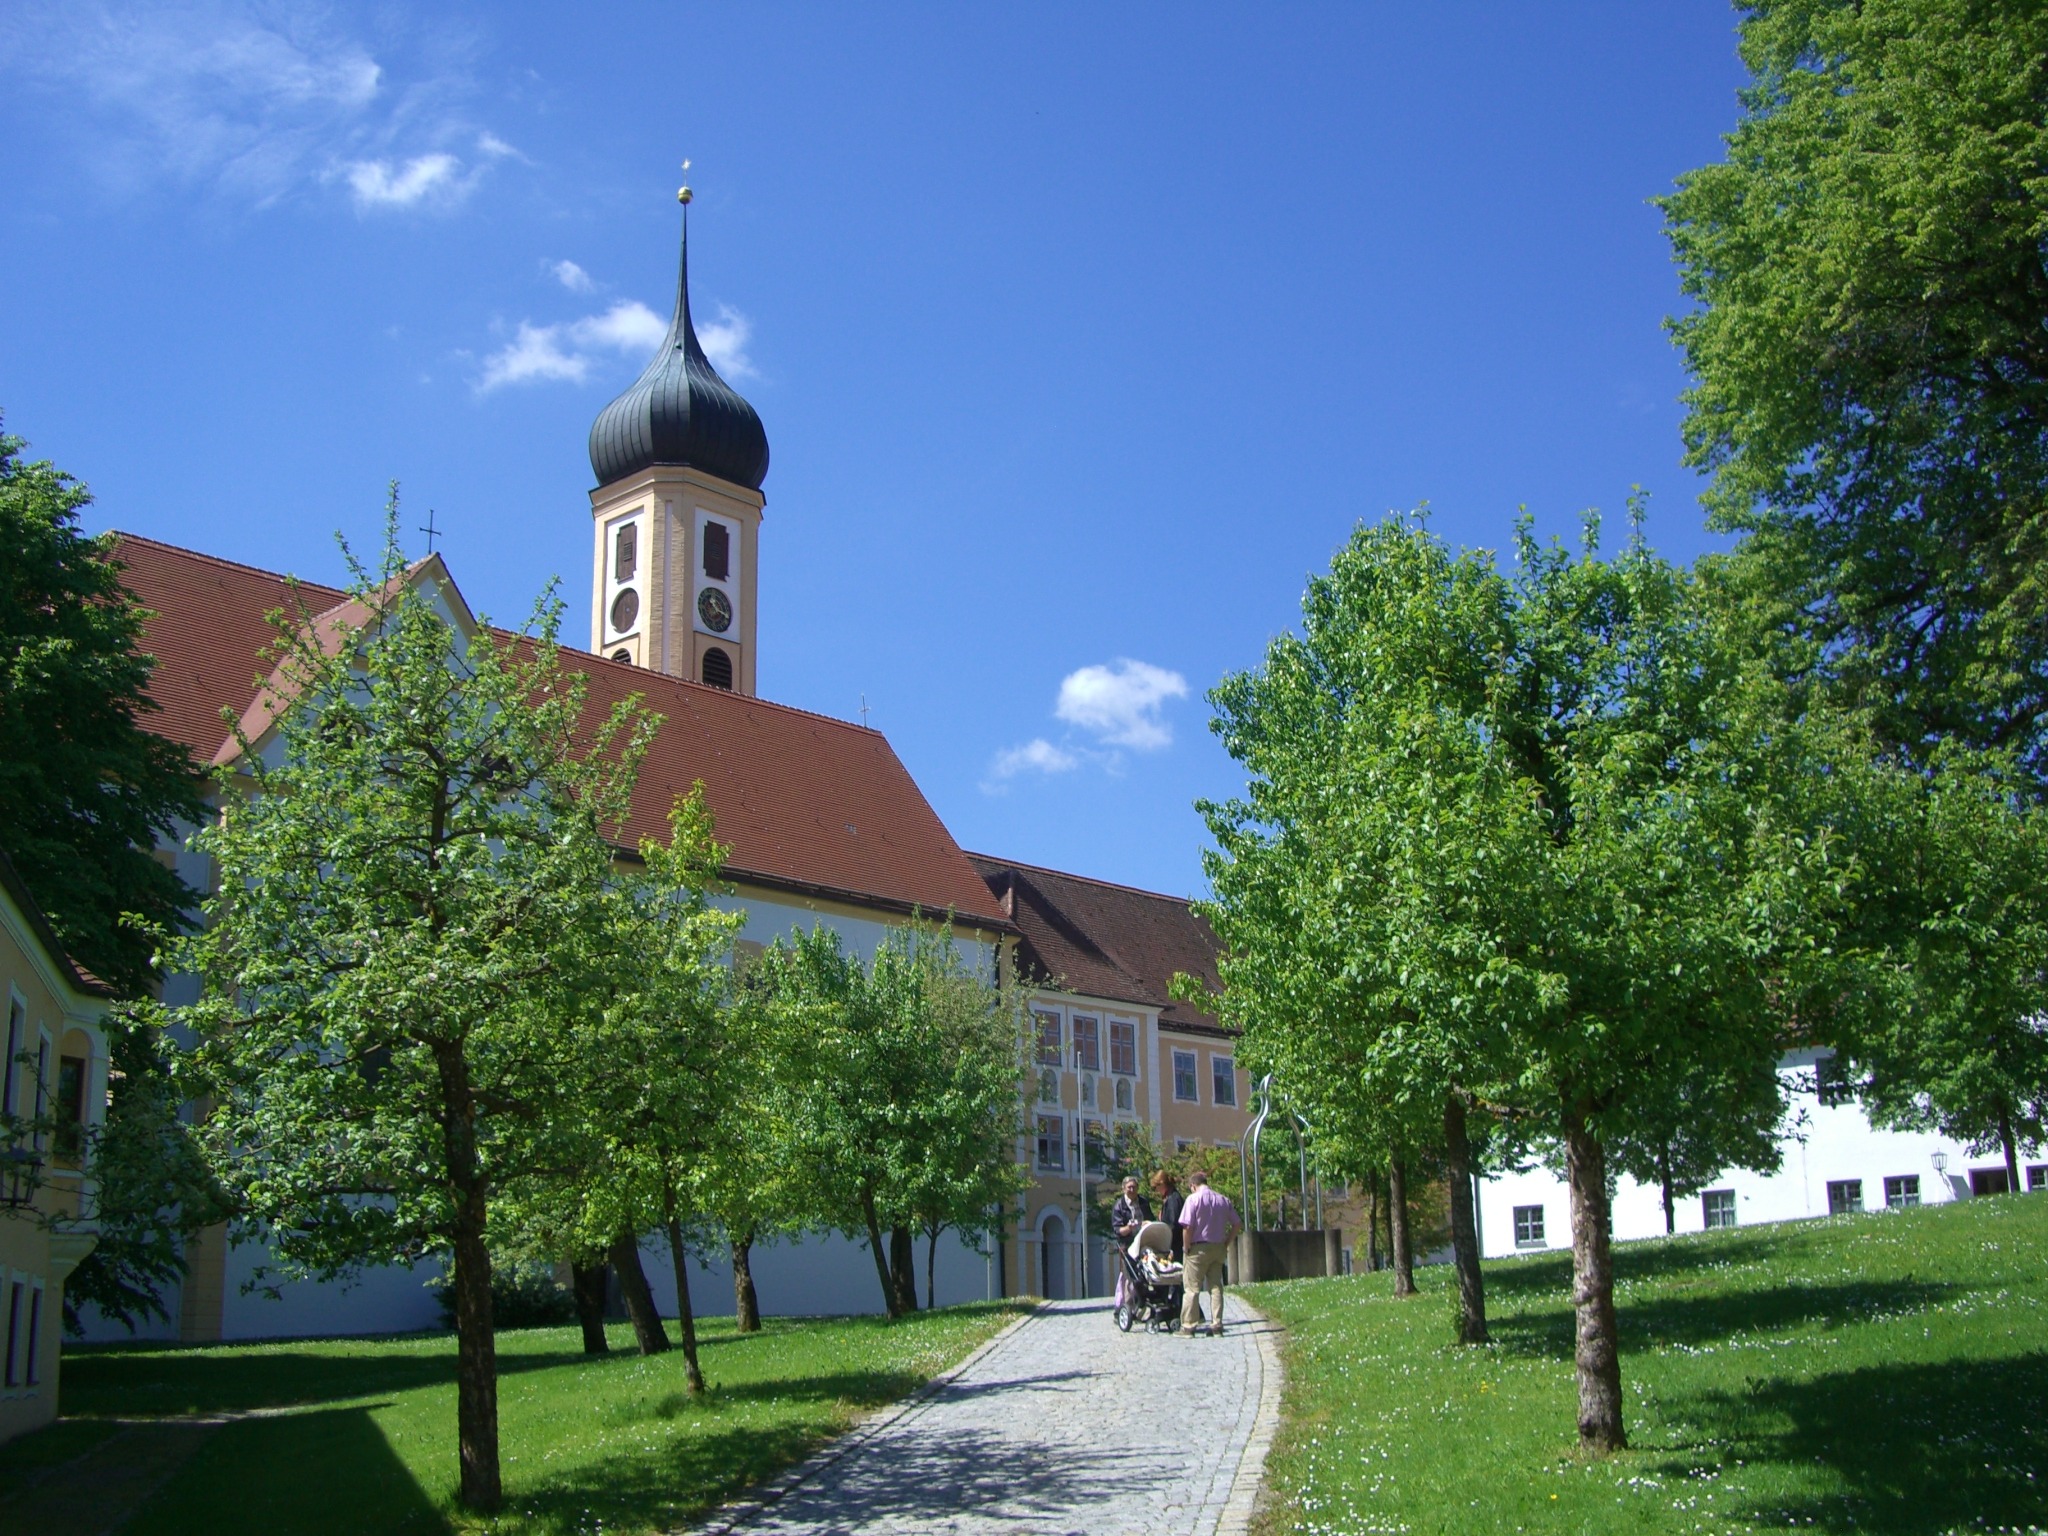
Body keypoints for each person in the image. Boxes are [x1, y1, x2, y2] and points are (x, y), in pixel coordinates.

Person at [1176, 1169, 1241, 1337]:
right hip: (1218, 1246)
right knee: (1215, 1286)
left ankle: (1189, 1326)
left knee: (1192, 1288)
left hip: (1197, 1247)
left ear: (1193, 1186)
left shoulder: (1193, 1199)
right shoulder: (1222, 1199)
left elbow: (1187, 1227)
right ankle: (1216, 1325)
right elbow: (1236, 1224)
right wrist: (1227, 1241)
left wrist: (1186, 1246)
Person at [1109, 1176, 1153, 1311]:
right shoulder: (1119, 1206)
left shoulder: (1143, 1202)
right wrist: (1128, 1228)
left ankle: (1146, 1301)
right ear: (1123, 1189)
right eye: (1129, 1187)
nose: (1132, 1190)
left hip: (1144, 1243)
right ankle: (1129, 1306)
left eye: (1134, 1187)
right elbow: (1117, 1230)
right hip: (1127, 1245)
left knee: (1148, 1273)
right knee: (1131, 1277)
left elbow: (1151, 1219)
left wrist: (1147, 1223)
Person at [1152, 1170, 1185, 1261]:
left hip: (1176, 1246)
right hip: (1173, 1245)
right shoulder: (1169, 1198)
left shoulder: (1173, 1199)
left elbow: (1173, 1224)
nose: (1156, 1191)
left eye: (1156, 1187)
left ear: (1161, 1184)